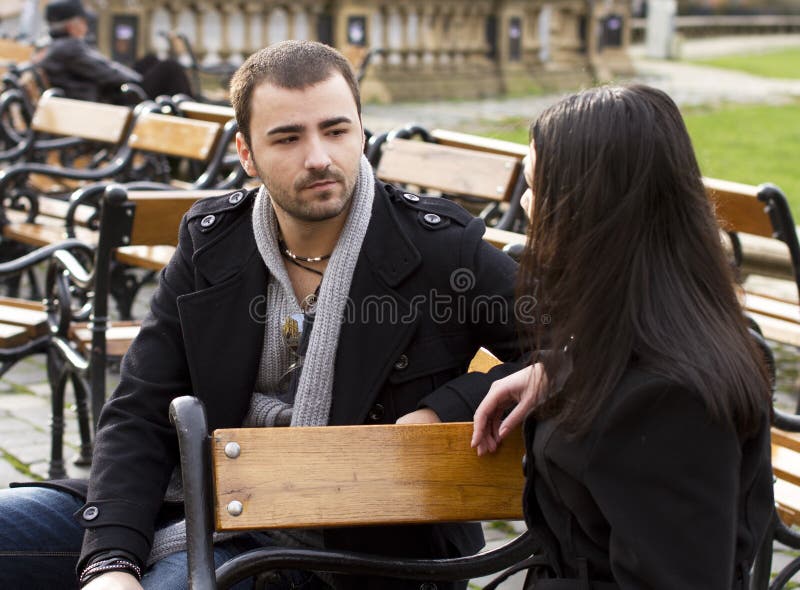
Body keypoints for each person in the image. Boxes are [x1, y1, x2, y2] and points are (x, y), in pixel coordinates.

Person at [0, 40, 521, 589]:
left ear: (362, 133)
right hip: (187, 497)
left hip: (335, 544)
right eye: (288, 137)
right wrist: (110, 561)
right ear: (247, 154)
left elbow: (567, 346)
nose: (318, 156)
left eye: (336, 130)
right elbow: (141, 406)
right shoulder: (212, 247)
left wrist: (443, 411)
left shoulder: (436, 248)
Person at [471, 84, 774, 588]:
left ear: (587, 211)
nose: (525, 205)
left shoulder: (669, 400)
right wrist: (561, 370)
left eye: (534, 186)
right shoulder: (646, 334)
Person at [36, 0, 192, 103]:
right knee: (170, 68)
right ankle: (192, 114)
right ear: (72, 26)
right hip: (110, 103)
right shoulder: (69, 47)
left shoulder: (59, 46)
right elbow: (110, 75)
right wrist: (139, 79)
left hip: (98, 99)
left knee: (150, 60)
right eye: (84, 22)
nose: (86, 26)